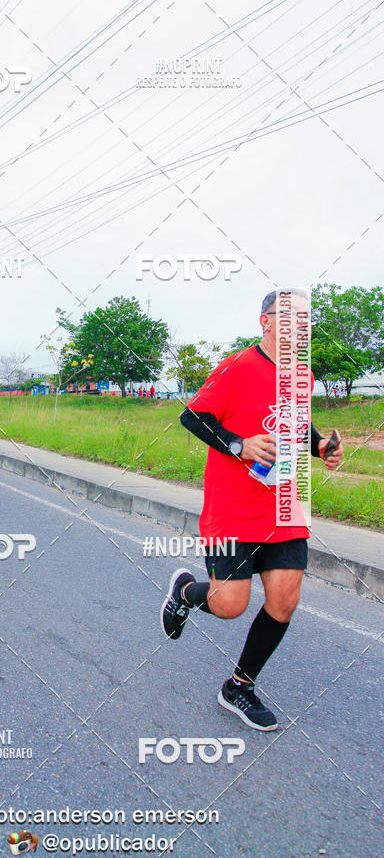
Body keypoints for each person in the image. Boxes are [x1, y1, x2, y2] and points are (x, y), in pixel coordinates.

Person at [160, 289, 344, 731]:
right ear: (265, 320)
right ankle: (184, 592)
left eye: (306, 318)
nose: (299, 324)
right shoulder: (238, 366)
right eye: (289, 315)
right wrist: (240, 445)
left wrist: (320, 446)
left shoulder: (302, 373)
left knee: (285, 601)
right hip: (232, 507)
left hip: (284, 505)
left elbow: (297, 424)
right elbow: (193, 417)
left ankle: (239, 686)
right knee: (229, 605)